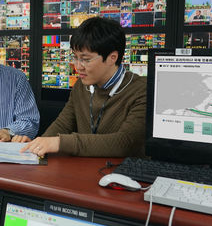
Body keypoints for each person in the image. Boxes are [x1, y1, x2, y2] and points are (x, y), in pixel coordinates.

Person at [18, 17, 146, 157]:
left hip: (122, 170)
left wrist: (60, 143)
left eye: (85, 59)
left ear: (112, 57)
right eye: (75, 57)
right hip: (85, 167)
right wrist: (38, 145)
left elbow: (125, 143)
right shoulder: (81, 85)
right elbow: (63, 124)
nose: (78, 67)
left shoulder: (141, 90)